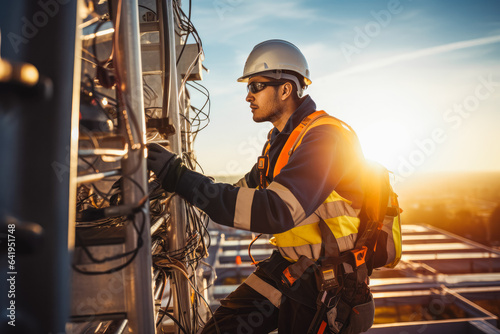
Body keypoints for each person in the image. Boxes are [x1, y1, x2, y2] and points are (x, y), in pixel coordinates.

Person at [147, 39, 372, 334]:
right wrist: (174, 188)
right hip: (291, 268)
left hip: (329, 282)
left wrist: (179, 176)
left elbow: (275, 211)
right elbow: (243, 191)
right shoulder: (280, 142)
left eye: (256, 86)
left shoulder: (325, 138)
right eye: (247, 88)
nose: (248, 97)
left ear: (286, 88)